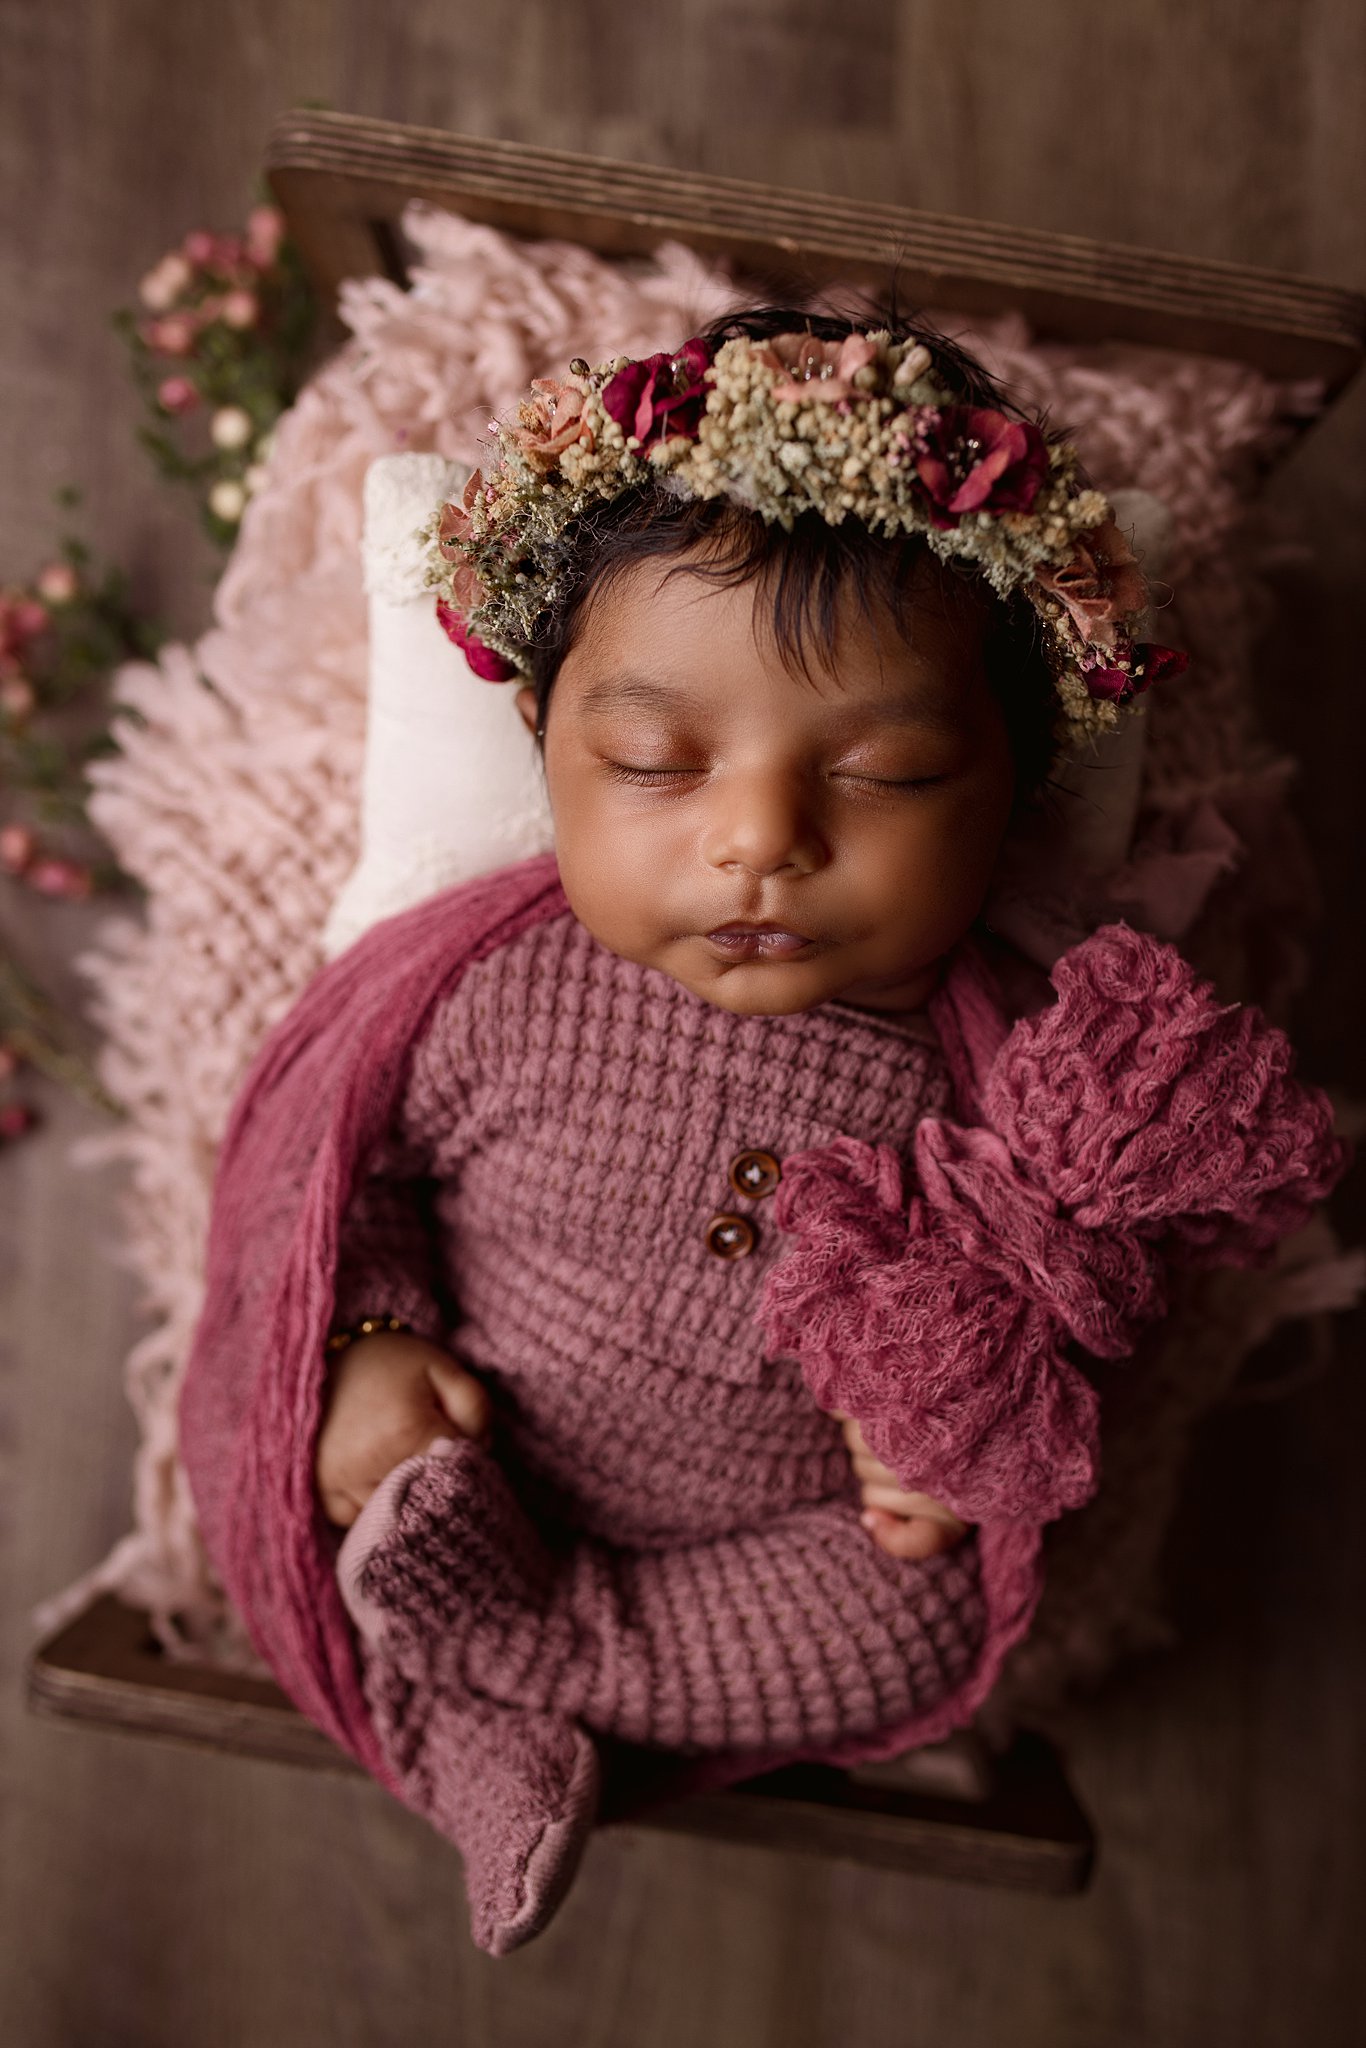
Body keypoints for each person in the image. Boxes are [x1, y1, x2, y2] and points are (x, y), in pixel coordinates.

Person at [177, 307, 1344, 1958]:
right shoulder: (492, 998)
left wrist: (953, 1425)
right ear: (546, 755)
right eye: (654, 762)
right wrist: (367, 1342)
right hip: (470, 1450)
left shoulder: (1010, 1066)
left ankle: (525, 1667)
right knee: (346, 1496)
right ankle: (467, 1694)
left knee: (916, 1624)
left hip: (772, 1544)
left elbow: (1083, 1293)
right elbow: (334, 1184)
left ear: (1008, 790)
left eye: (882, 775)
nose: (760, 841)